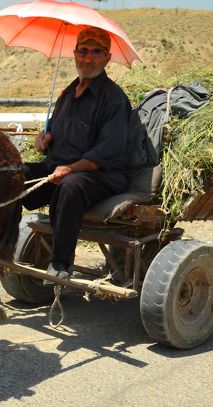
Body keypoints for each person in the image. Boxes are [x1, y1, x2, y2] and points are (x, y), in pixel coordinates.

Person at [23, 26, 132, 283]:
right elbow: (56, 134)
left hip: (103, 176)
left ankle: (61, 264)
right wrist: (45, 139)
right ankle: (2, 241)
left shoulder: (114, 100)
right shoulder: (66, 95)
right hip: (60, 170)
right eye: (83, 50)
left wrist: (71, 169)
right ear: (74, 53)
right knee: (16, 175)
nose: (88, 57)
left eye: (96, 52)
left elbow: (107, 151)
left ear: (107, 57)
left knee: (70, 186)